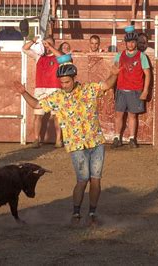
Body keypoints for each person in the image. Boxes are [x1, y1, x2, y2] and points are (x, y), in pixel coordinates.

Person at [14, 54, 120, 226]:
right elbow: (36, 105)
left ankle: (92, 213)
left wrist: (114, 74)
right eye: (62, 83)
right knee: (82, 179)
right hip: (76, 144)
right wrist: (23, 92)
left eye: (67, 82)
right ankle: (76, 213)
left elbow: (107, 84)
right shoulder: (58, 97)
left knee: (95, 179)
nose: (64, 86)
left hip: (96, 142)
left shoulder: (88, 89)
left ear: (74, 79)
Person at [112, 26, 151, 149]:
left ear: (136, 43)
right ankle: (117, 137)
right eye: (128, 42)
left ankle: (132, 138)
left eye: (133, 42)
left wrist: (145, 90)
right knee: (119, 114)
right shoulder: (120, 55)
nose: (130, 44)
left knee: (132, 115)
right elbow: (114, 70)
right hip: (122, 89)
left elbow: (147, 74)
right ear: (125, 43)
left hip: (135, 90)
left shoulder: (141, 56)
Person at [22, 36, 64, 148]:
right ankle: (36, 139)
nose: (47, 46)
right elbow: (24, 49)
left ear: (53, 45)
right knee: (38, 115)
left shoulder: (57, 56)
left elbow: (63, 57)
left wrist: (50, 46)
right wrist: (33, 41)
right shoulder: (38, 57)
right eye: (45, 44)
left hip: (55, 88)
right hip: (40, 88)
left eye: (49, 44)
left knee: (57, 116)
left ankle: (58, 140)